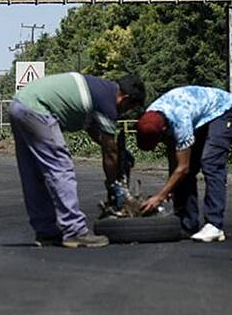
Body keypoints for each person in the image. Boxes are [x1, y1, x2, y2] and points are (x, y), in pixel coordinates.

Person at [9, 73, 146, 248]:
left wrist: (120, 153)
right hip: (38, 110)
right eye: (129, 108)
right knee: (61, 167)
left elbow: (96, 133)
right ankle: (74, 231)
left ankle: (46, 231)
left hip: (19, 105)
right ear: (124, 98)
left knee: (33, 173)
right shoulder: (108, 102)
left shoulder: (99, 89)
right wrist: (114, 186)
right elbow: (110, 154)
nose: (125, 113)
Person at [135, 86, 232, 243]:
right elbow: (175, 159)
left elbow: (182, 167)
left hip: (224, 110)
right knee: (186, 172)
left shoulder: (180, 121)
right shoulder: (150, 116)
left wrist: (160, 196)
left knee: (211, 162)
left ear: (163, 130)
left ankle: (214, 225)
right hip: (200, 116)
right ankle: (187, 223)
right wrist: (171, 186)